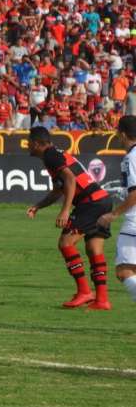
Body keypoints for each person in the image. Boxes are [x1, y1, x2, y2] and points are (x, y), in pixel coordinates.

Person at [27, 126, 112, 310]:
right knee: (93, 249)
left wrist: (65, 211)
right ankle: (102, 299)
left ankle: (84, 292)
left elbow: (70, 180)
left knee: (66, 243)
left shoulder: (50, 155)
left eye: (29, 143)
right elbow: (59, 189)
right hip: (102, 200)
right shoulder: (56, 154)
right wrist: (38, 206)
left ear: (36, 143)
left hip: (90, 203)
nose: (27, 146)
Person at [95, 115, 136, 303]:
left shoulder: (131, 158)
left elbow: (135, 194)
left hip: (134, 222)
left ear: (124, 134)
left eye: (118, 132)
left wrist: (113, 214)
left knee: (124, 271)